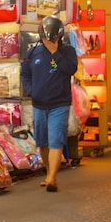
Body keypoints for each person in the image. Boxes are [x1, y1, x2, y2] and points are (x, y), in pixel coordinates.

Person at [20, 15, 78, 193]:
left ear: (59, 35)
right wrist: (31, 90)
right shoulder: (33, 53)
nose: (49, 40)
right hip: (38, 104)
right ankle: (48, 173)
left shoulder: (67, 51)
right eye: (46, 37)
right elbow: (25, 73)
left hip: (59, 104)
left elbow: (70, 69)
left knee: (56, 140)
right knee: (42, 142)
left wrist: (55, 53)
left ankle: (52, 178)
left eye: (52, 37)